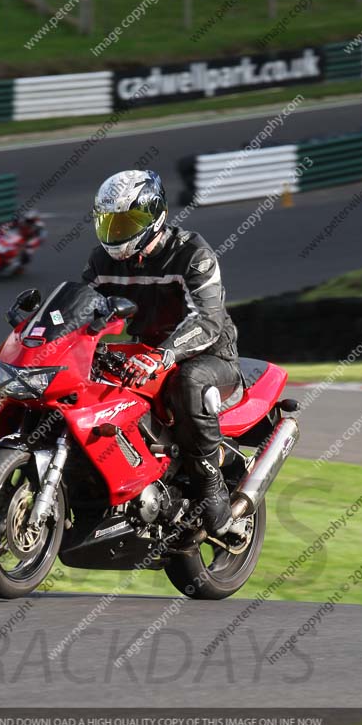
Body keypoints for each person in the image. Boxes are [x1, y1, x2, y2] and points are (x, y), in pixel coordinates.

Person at [82, 169, 244, 541]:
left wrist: (164, 354)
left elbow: (207, 320)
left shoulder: (192, 254)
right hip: (146, 353)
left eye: (129, 221)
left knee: (187, 382)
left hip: (210, 357)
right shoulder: (102, 261)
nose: (118, 231)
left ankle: (211, 483)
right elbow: (84, 309)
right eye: (111, 222)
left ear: (155, 216)